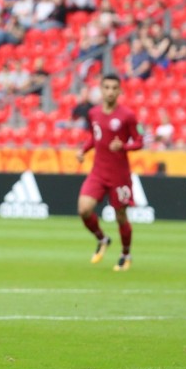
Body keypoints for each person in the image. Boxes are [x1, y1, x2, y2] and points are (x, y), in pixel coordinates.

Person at [76, 73, 144, 271]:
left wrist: (123, 146)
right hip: (98, 171)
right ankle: (102, 238)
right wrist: (83, 150)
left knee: (120, 216)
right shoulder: (94, 113)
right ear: (101, 89)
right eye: (107, 87)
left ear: (120, 91)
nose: (110, 91)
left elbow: (140, 141)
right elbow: (95, 137)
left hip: (119, 175)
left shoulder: (128, 116)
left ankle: (125, 253)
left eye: (114, 88)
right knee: (83, 209)